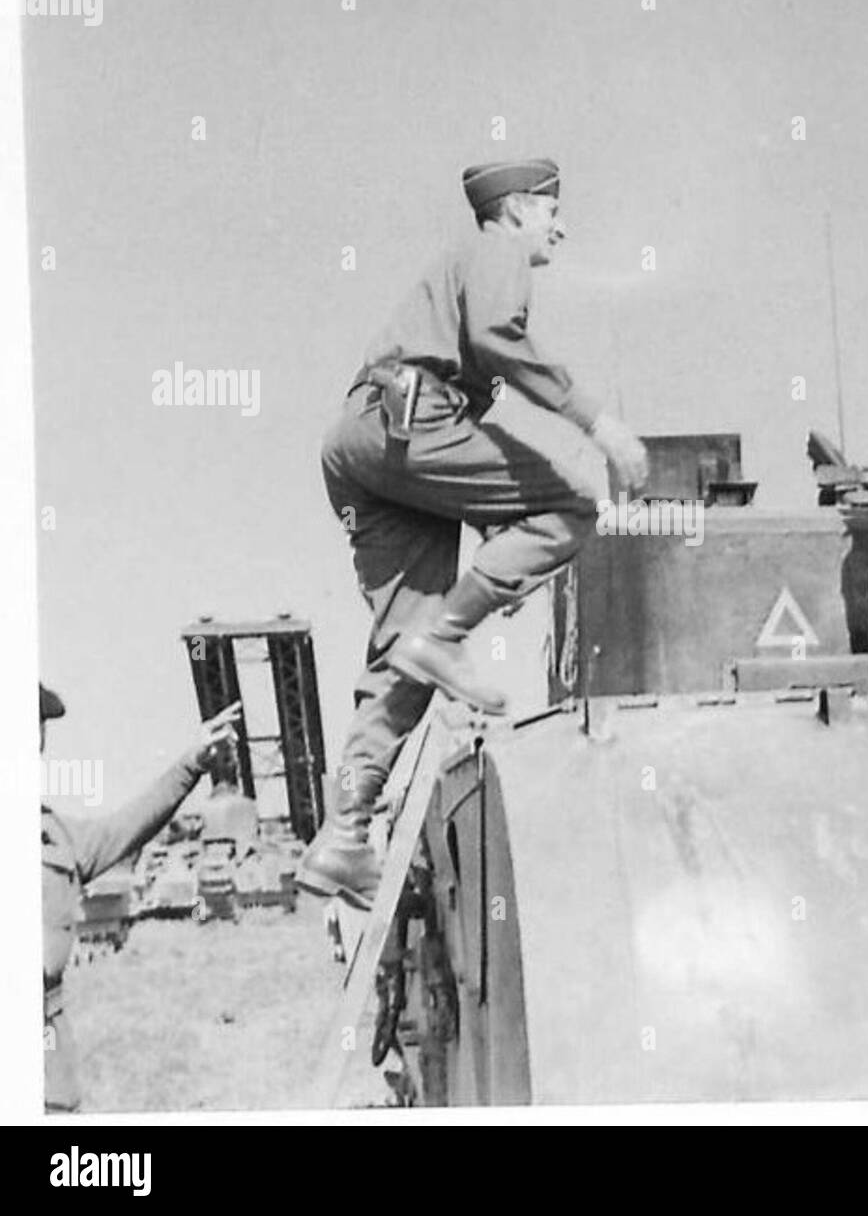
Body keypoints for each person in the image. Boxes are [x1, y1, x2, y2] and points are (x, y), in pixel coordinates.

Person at [297, 158, 647, 908]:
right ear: (517, 209)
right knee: (576, 503)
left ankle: (345, 837)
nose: (563, 225)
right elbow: (495, 335)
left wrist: (500, 565)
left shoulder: (456, 262)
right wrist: (599, 422)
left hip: (367, 443)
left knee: (406, 657)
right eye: (554, 209)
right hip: (415, 423)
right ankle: (445, 636)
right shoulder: (498, 249)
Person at [40, 683, 241, 1112]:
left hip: (48, 1058)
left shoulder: (54, 833)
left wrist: (192, 764)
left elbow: (127, 826)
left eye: (36, 728)